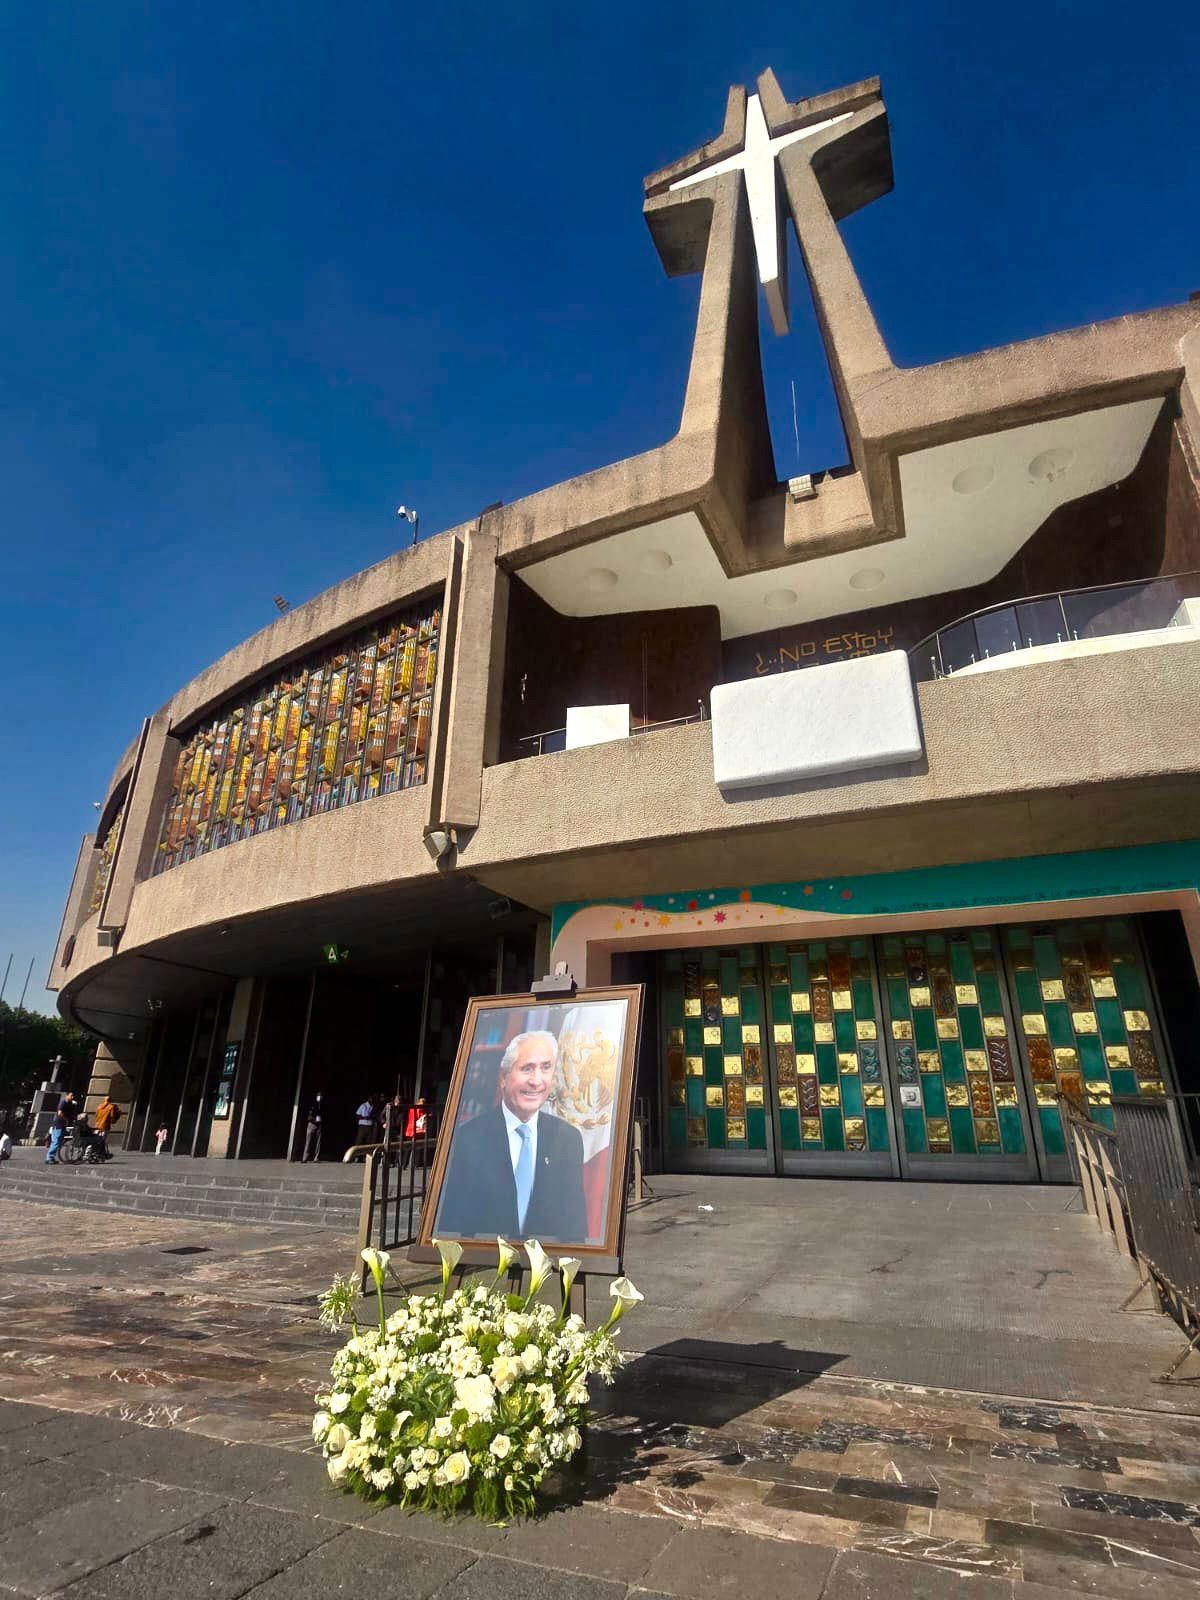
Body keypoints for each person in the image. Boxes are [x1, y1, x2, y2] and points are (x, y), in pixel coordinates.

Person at [436, 1031, 587, 1244]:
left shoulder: (568, 1139)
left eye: (546, 1068)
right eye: (527, 1068)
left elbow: (574, 1226)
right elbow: (451, 1225)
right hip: (484, 1267)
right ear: (504, 1078)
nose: (536, 1081)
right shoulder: (466, 1139)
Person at [302, 1093, 324, 1162]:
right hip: (311, 1123)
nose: (319, 1097)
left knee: (318, 1142)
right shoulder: (312, 1104)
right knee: (308, 1141)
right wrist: (313, 1119)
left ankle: (316, 1158)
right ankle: (305, 1158)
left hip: (319, 1124)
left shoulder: (323, 1105)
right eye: (318, 1096)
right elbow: (309, 1114)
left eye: (321, 1096)